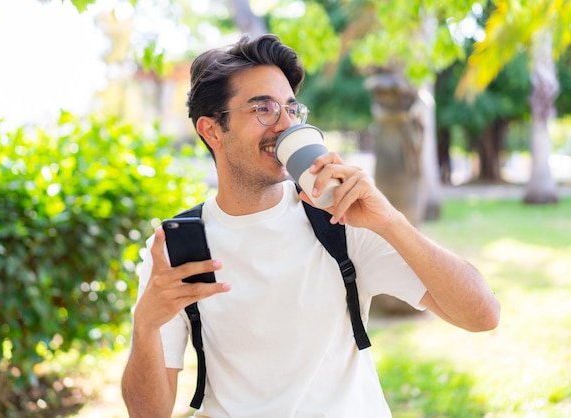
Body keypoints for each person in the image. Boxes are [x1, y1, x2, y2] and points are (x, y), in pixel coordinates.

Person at [121, 33, 500, 418]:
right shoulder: (177, 249)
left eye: (291, 108)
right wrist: (146, 325)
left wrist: (390, 221)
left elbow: (483, 316)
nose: (284, 124)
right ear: (212, 130)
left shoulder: (340, 219)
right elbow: (147, 414)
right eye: (263, 109)